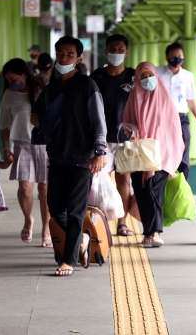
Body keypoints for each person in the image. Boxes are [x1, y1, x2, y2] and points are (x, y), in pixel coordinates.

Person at [31, 36, 107, 276]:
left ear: (78, 58)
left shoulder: (87, 85)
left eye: (69, 55)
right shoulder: (52, 88)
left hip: (83, 157)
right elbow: (37, 115)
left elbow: (99, 121)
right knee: (55, 207)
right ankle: (82, 238)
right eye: (60, 54)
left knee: (75, 210)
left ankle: (68, 261)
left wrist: (100, 151)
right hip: (57, 155)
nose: (64, 58)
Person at [123, 62, 184, 248]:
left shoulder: (165, 100)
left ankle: (154, 232)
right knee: (141, 193)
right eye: (142, 76)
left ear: (156, 75)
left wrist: (172, 161)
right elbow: (127, 122)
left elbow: (173, 130)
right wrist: (133, 131)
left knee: (153, 192)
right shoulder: (134, 98)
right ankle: (148, 232)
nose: (146, 79)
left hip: (161, 155)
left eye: (149, 75)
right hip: (139, 155)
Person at [0, 58, 51, 246]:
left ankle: (46, 229)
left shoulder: (41, 89)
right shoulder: (9, 96)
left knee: (45, 189)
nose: (12, 83)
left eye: (14, 79)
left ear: (24, 74)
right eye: (8, 80)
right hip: (22, 144)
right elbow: (3, 124)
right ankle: (28, 219)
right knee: (25, 188)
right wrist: (6, 148)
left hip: (45, 144)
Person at [90, 34, 135, 237]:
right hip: (102, 139)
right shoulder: (96, 76)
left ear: (126, 52)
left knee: (124, 181)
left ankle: (122, 223)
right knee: (99, 180)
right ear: (106, 51)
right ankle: (102, 221)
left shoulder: (134, 77)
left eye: (120, 49)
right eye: (112, 49)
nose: (116, 52)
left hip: (127, 139)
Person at [156, 43, 196, 180]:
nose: (177, 58)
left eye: (180, 56)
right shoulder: (157, 73)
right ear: (167, 57)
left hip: (181, 117)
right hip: (162, 118)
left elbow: (192, 100)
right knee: (163, 150)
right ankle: (163, 182)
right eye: (174, 56)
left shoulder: (188, 76)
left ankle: (182, 183)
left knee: (184, 149)